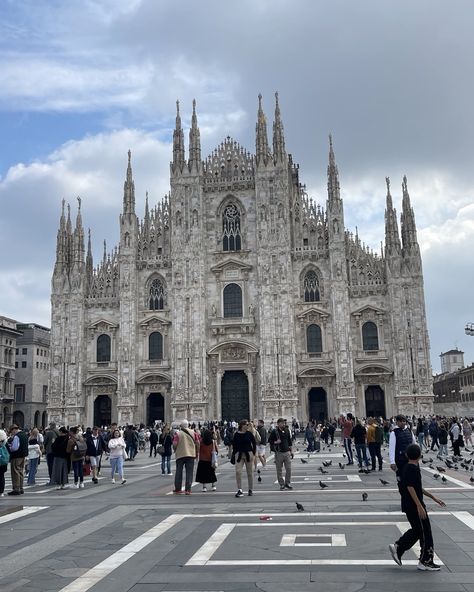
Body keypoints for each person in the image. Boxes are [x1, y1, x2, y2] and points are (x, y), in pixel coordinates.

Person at [389, 444, 445, 570]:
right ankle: (424, 560)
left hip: (411, 504)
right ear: (419, 456)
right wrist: (419, 505)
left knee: (419, 530)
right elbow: (410, 487)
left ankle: (401, 548)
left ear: (407, 455)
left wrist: (432, 497)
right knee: (425, 532)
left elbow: (416, 487)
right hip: (414, 505)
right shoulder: (411, 469)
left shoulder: (409, 467)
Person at [172, 420, 200, 494]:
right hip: (190, 454)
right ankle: (188, 489)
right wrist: (197, 452)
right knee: (189, 472)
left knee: (178, 471)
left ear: (181, 426)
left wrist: (175, 449)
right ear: (188, 425)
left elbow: (174, 444)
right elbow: (198, 443)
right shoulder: (194, 433)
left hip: (180, 454)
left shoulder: (177, 434)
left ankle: (178, 489)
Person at [389, 414, 416, 490]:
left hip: (410, 459)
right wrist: (392, 462)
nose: (403, 423)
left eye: (404, 421)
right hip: (400, 459)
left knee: (411, 479)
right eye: (401, 421)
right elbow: (391, 448)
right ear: (397, 422)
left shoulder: (409, 431)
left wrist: (417, 455)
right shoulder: (394, 433)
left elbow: (414, 444)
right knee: (401, 479)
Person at [231, 419, 256, 497]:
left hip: (248, 454)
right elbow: (234, 444)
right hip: (239, 454)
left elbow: (254, 443)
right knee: (238, 471)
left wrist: (253, 453)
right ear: (242, 425)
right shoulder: (236, 434)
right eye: (247, 424)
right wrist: (234, 453)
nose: (248, 425)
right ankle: (240, 489)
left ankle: (250, 489)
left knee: (250, 473)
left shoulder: (249, 434)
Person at [268, 417, 294, 490]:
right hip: (279, 453)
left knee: (288, 469)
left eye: (284, 423)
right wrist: (276, 442)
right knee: (279, 470)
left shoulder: (286, 430)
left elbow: (289, 441)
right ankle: (282, 484)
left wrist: (291, 451)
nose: (283, 424)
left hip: (287, 452)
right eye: (282, 423)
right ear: (278, 424)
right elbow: (269, 440)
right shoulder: (274, 432)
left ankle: (287, 483)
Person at [7, 424, 28, 495]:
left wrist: (10, 448)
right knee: (21, 471)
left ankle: (16, 488)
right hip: (23, 456)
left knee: (15, 471)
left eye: (11, 431)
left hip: (16, 456)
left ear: (14, 429)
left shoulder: (17, 436)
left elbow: (15, 448)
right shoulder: (24, 435)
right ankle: (21, 488)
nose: (11, 433)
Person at [0, 429, 10, 496]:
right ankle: (1, 491)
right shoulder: (4, 443)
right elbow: (8, 452)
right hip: (3, 463)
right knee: (2, 476)